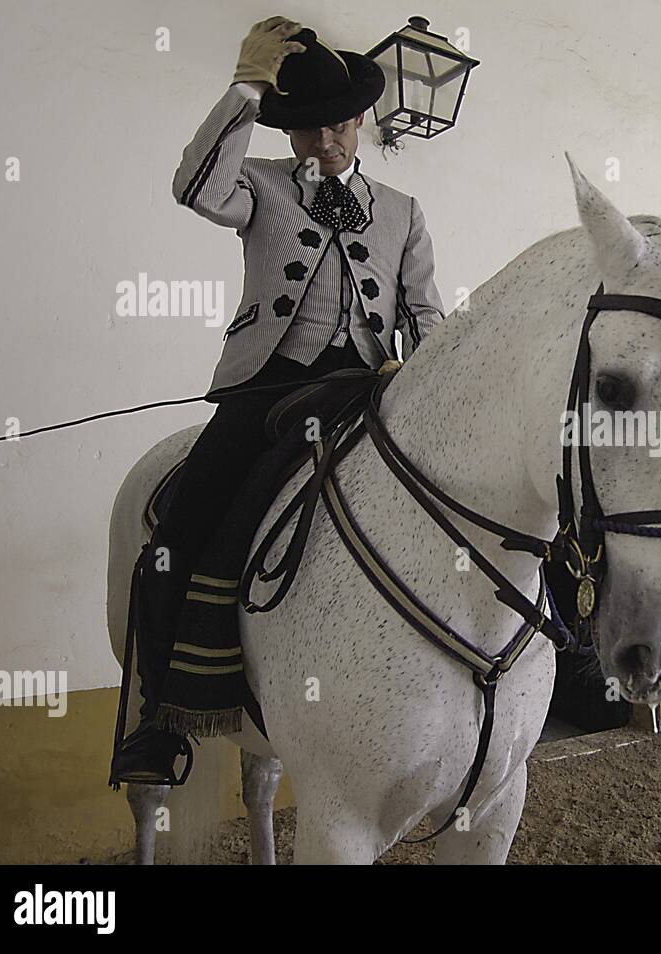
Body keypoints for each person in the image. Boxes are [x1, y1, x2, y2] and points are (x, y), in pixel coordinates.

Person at [111, 17, 445, 784]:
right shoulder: (257, 185)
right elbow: (193, 187)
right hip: (266, 390)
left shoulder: (402, 210)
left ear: (359, 119)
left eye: (335, 124)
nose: (322, 141)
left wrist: (424, 378)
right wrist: (246, 88)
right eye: (302, 129)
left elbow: (423, 310)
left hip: (366, 389)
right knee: (176, 534)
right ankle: (163, 719)